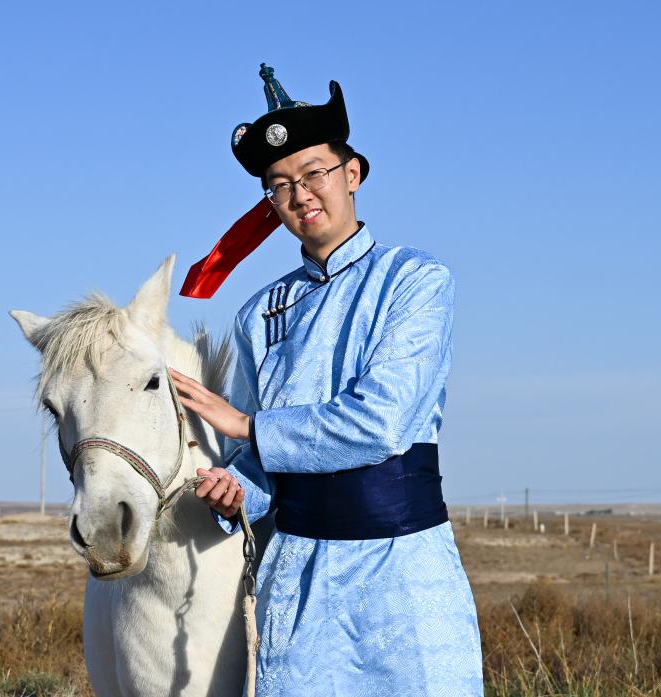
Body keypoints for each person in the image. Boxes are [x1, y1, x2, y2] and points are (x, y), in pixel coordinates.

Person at [169, 65, 483, 695]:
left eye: (314, 173)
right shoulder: (259, 313)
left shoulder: (415, 280)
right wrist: (236, 491)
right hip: (299, 573)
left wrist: (249, 427)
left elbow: (382, 422)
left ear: (352, 173)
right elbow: (258, 465)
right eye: (280, 185)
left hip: (404, 571)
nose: (301, 195)